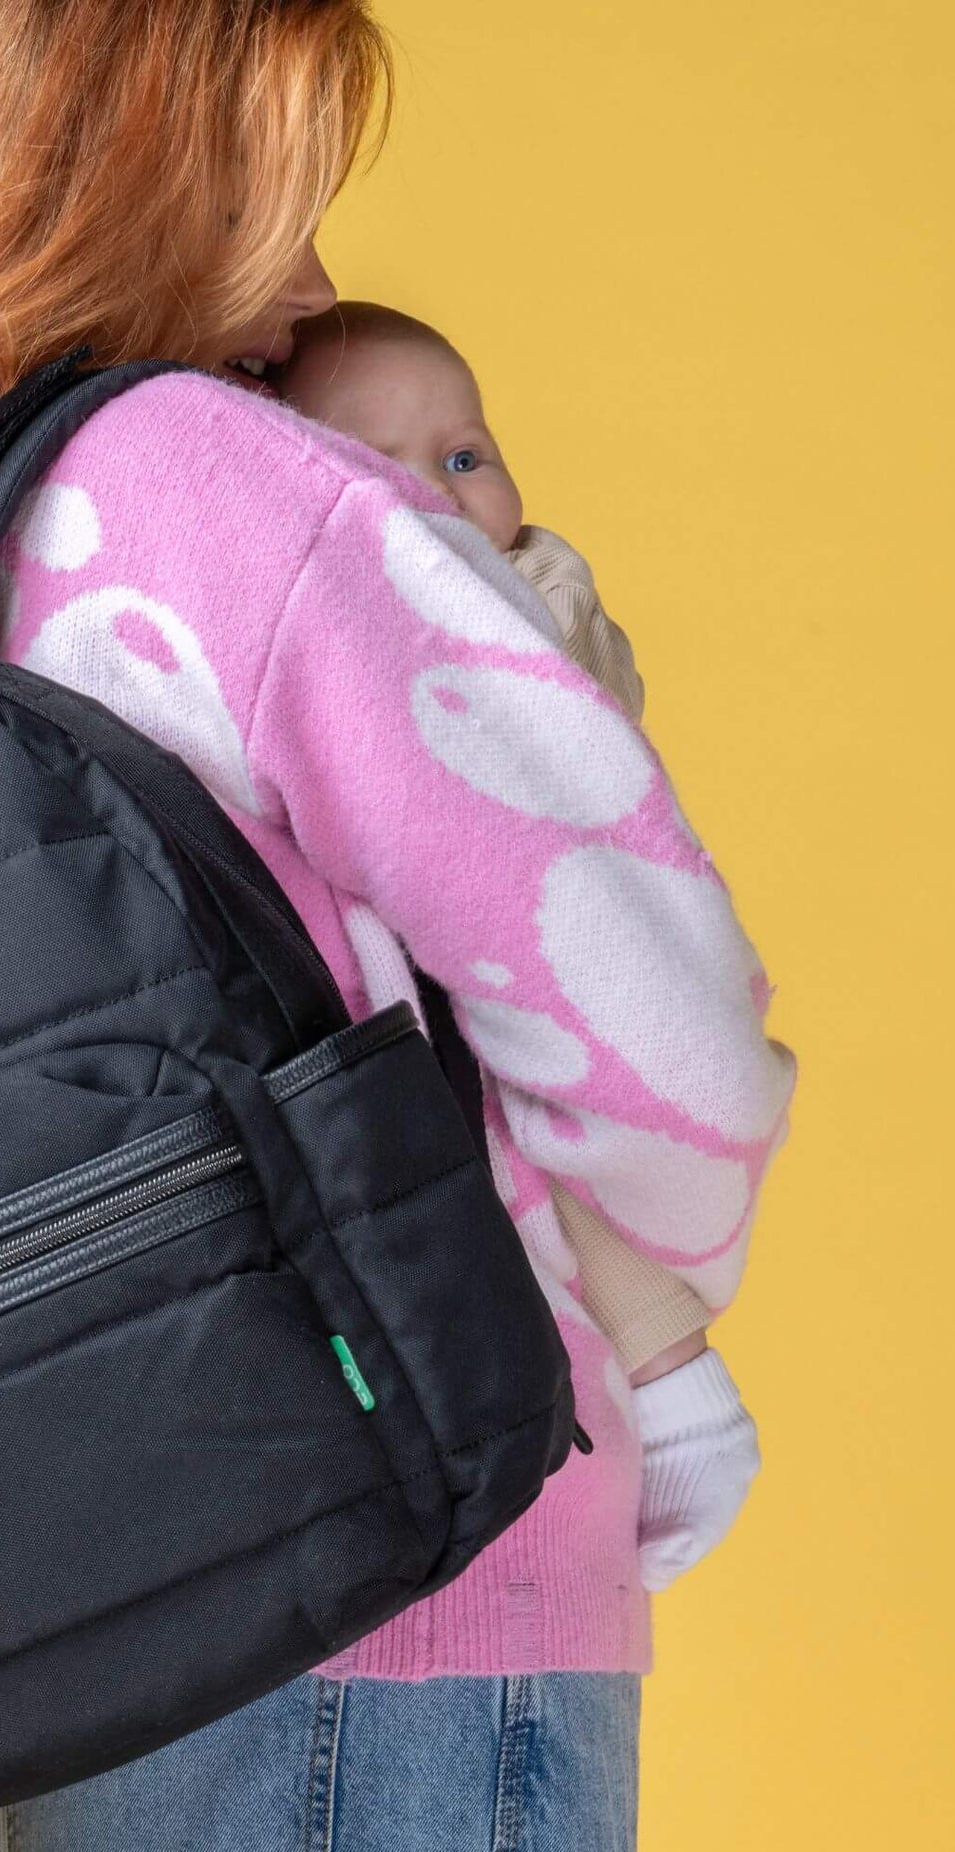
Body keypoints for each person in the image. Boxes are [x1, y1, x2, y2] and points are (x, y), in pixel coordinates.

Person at [0, 3, 795, 1852]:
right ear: (129, 196)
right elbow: (660, 1034)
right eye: (272, 207)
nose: (315, 287)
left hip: (31, 1613)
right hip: (387, 1582)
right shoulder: (212, 479)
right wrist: (637, 1309)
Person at [281, 299, 768, 1595]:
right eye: (382, 465)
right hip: (398, 995)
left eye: (463, 452)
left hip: (537, 958)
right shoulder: (305, 595)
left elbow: (570, 771)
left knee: (566, 1168)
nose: (438, 495)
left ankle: (674, 1389)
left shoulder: (531, 587)